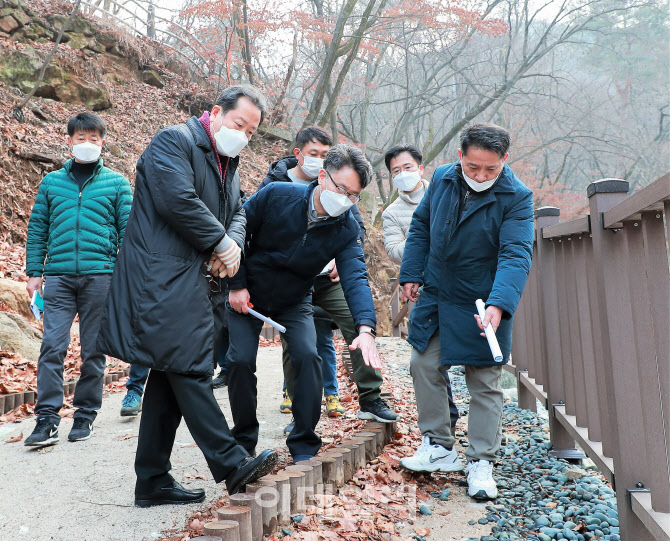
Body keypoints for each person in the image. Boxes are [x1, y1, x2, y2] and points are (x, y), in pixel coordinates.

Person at [96, 85, 278, 506]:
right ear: (216, 112)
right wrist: (219, 242)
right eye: (238, 124)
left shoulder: (227, 162)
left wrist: (229, 245)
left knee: (167, 375)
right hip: (159, 279)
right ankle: (231, 464)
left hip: (193, 282)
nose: (243, 135)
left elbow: (239, 211)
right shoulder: (173, 141)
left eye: (251, 131)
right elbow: (176, 199)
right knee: (189, 370)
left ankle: (152, 481)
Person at [398, 124, 533, 500]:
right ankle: (439, 445)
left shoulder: (518, 197)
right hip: (439, 293)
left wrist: (499, 303)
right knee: (423, 364)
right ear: (460, 157)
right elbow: (422, 224)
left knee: (485, 380)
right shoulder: (442, 178)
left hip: (482, 299)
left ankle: (481, 462)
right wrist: (411, 271)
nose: (481, 176)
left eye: (490, 169)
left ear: (504, 161)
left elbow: (516, 254)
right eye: (473, 167)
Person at [226, 144, 383, 463]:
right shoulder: (276, 196)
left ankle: (304, 443)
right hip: (250, 292)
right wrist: (237, 284)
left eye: (354, 195)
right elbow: (238, 230)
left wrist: (365, 327)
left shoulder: (346, 226)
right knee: (239, 361)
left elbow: (354, 275)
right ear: (323, 176)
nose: (346, 200)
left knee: (309, 357)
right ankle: (243, 443)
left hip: (295, 298)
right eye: (342, 189)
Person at [258, 126, 397, 424]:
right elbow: (255, 225)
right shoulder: (277, 185)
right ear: (301, 155)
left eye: (324, 154)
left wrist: (339, 256)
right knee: (298, 343)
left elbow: (354, 237)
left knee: (356, 321)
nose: (319, 160)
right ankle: (299, 408)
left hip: (328, 278)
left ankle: (371, 396)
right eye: (314, 155)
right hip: (291, 282)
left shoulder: (346, 194)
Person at [24, 112, 132, 447]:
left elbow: (127, 233)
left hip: (100, 277)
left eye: (93, 138)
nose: (87, 144)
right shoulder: (52, 182)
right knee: (52, 348)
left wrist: (123, 275)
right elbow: (38, 228)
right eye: (80, 138)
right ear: (69, 141)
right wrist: (33, 273)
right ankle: (47, 420)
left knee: (93, 351)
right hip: (57, 277)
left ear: (103, 142)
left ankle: (85, 415)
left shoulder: (117, 183)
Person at [381, 144, 458, 430]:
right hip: (426, 288)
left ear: (421, 168)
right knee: (428, 357)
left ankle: (487, 433)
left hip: (460, 284)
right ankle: (445, 422)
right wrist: (429, 239)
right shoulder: (392, 213)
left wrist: (418, 243)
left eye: (407, 167)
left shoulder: (445, 192)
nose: (402, 174)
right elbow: (393, 249)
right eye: (396, 171)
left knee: (473, 357)